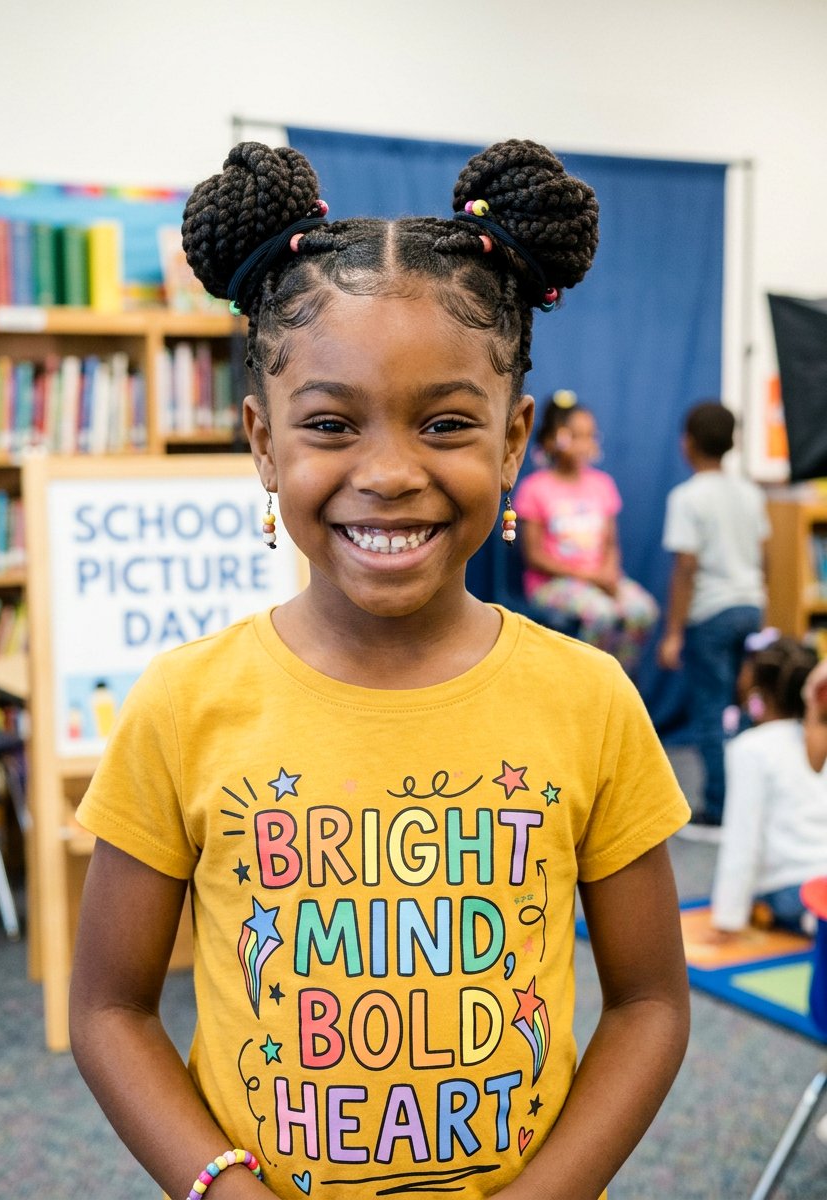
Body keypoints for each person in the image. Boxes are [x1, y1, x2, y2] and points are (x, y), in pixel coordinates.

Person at [68, 138, 691, 1200]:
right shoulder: (183, 705)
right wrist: (223, 1187)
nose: (391, 473)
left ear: (510, 441)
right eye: (329, 425)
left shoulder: (587, 700)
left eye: (446, 423)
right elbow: (108, 1011)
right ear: (263, 442)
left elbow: (648, 1004)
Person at [657, 400, 770, 826]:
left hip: (711, 616)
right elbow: (764, 557)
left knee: (709, 709)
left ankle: (723, 808)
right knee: (744, 708)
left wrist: (672, 632)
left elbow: (686, 568)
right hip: (749, 608)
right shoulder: (750, 492)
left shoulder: (687, 498)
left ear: (688, 443)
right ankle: (751, 800)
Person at [513, 391, 658, 674]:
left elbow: (611, 543)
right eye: (576, 436)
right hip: (551, 584)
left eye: (590, 436)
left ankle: (621, 682)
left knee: (642, 611)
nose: (584, 444)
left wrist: (610, 573)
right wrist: (591, 578)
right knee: (601, 613)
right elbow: (534, 557)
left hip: (600, 578)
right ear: (555, 437)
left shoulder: (602, 485)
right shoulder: (535, 488)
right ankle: (589, 682)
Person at [708, 637, 827, 938]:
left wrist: (728, 918)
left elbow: (742, 837)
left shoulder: (751, 748)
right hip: (820, 878)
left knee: (786, 901)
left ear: (759, 692)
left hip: (789, 887)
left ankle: (811, 919)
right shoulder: (817, 736)